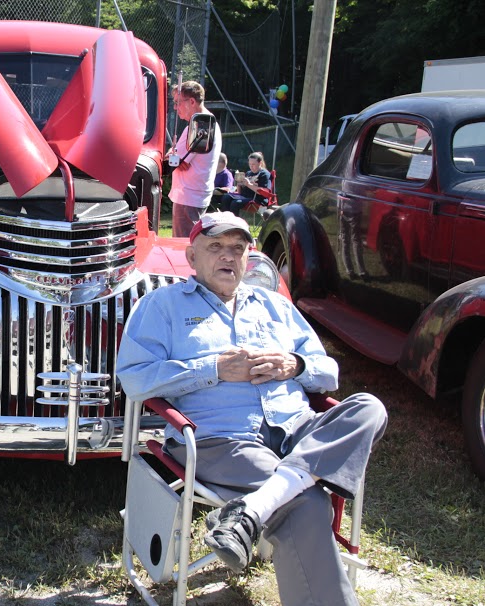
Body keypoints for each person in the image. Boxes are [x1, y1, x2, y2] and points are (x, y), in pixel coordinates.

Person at [116, 211, 387, 606]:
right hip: (220, 439)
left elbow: (329, 372)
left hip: (296, 428)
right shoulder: (162, 307)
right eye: (216, 247)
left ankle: (252, 510)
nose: (229, 257)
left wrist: (294, 364)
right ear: (192, 257)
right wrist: (213, 369)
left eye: (238, 249)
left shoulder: (275, 306)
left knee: (369, 407)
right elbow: (135, 378)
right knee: (306, 501)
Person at [168, 80, 222, 238]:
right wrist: (174, 156)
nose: (175, 108)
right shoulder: (205, 123)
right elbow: (176, 159)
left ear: (192, 101)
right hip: (191, 195)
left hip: (188, 197)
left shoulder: (200, 124)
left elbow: (178, 161)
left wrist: (173, 155)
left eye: (178, 102)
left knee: (183, 245)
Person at [219, 151, 272, 217]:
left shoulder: (264, 174)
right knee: (226, 197)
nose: (251, 166)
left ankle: (236, 225)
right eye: (250, 164)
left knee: (235, 203)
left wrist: (248, 184)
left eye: (253, 164)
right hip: (245, 197)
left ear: (260, 163)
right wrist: (239, 184)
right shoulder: (249, 173)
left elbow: (265, 192)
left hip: (257, 199)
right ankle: (226, 220)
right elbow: (240, 192)